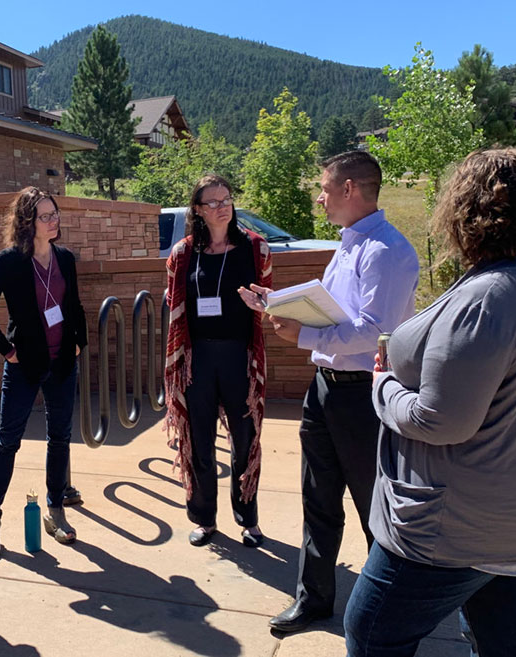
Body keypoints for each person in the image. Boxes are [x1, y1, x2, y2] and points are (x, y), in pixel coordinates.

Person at [344, 148, 516, 657]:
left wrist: (383, 385)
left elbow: (438, 421)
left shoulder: (486, 301)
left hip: (458, 526)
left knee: (372, 632)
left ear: (465, 213)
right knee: (502, 637)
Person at [267, 151, 419, 634]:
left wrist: (303, 335)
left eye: (325, 188)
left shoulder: (387, 251)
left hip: (363, 398)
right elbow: (336, 313)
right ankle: (314, 600)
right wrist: (283, 307)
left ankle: (386, 616)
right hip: (325, 389)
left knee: (375, 508)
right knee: (318, 499)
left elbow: (376, 330)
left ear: (350, 189)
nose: (320, 197)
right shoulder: (350, 244)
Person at [0, 187, 88, 559]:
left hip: (62, 364)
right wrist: (7, 352)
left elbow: (74, 305)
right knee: (8, 441)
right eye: (46, 216)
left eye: (55, 214)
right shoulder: (10, 261)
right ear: (28, 222)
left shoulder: (64, 258)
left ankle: (55, 511)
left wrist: (80, 342)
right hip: (25, 367)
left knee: (60, 438)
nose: (54, 221)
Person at [163, 174, 273, 548]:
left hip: (240, 356)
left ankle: (248, 519)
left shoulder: (254, 248)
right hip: (197, 359)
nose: (222, 207)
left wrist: (262, 303)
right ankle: (204, 518)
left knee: (245, 439)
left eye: (226, 199)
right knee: (199, 440)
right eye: (212, 202)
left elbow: (270, 299)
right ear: (198, 210)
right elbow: (175, 299)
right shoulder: (184, 253)